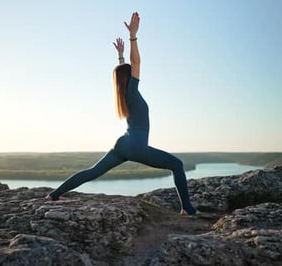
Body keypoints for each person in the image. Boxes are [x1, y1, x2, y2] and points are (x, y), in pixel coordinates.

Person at [45, 12, 198, 215]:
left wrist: (120, 56)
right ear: (129, 77)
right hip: (136, 146)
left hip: (123, 144)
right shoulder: (132, 92)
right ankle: (187, 208)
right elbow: (136, 63)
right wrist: (133, 36)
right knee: (177, 165)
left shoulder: (123, 94)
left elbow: (124, 71)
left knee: (92, 172)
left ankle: (54, 195)